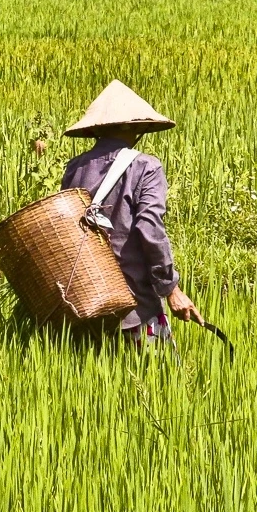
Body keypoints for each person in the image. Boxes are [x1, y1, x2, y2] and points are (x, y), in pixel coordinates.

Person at [60, 80, 202, 343]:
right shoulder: (146, 167)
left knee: (87, 380)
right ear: (134, 125)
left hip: (84, 301)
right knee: (158, 379)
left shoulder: (75, 168)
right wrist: (170, 288)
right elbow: (149, 228)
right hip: (134, 304)